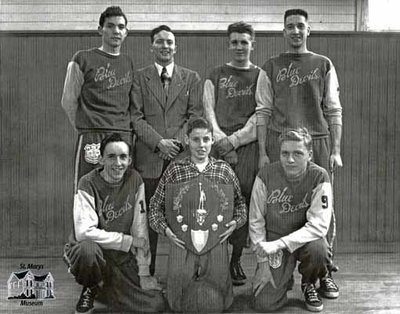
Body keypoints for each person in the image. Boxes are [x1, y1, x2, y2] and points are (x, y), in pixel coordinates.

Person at [256, 8, 342, 293]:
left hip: (316, 142)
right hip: (283, 143)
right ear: (283, 31)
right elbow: (263, 112)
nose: (295, 31)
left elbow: (333, 109)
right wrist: (262, 152)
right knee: (282, 206)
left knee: (323, 210)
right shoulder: (271, 66)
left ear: (309, 31)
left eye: (300, 26)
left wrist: (335, 150)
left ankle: (323, 270)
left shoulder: (323, 63)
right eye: (290, 26)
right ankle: (281, 262)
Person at [148, 117, 247, 313]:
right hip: (182, 241)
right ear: (187, 140)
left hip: (215, 240)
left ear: (212, 141)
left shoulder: (223, 170)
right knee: (177, 301)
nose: (201, 145)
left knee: (220, 300)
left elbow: (240, 205)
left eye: (206, 139)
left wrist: (235, 223)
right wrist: (166, 231)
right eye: (196, 139)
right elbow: (154, 208)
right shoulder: (175, 170)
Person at [63, 133, 165, 313]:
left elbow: (140, 228)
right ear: (101, 159)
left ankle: (108, 288)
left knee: (155, 305)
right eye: (111, 157)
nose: (118, 163)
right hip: (95, 252)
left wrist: (144, 272)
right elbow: (84, 232)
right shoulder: (87, 183)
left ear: (130, 159)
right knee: (87, 250)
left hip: (120, 257)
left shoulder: (135, 180)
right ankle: (90, 286)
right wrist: (127, 241)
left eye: (123, 157)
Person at [131, 24, 203, 276]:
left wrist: (175, 144)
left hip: (180, 159)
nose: (165, 46)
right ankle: (146, 273)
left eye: (169, 42)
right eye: (159, 42)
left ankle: (184, 273)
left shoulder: (191, 78)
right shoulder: (139, 77)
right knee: (148, 219)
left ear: (176, 47)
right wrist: (159, 143)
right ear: (152, 47)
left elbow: (195, 116)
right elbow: (136, 118)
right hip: (148, 159)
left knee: (184, 216)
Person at [203, 21, 269, 285]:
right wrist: (220, 139)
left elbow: (261, 114)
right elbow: (208, 109)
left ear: (253, 44)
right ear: (228, 44)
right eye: (235, 42)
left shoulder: (261, 75)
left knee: (243, 199)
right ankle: (213, 259)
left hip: (247, 146)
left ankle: (236, 259)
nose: (239, 47)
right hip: (218, 146)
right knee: (217, 201)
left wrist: (236, 140)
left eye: (244, 42)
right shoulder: (215, 73)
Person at [249, 128, 334, 312]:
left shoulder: (320, 176)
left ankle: (309, 282)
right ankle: (284, 278)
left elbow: (319, 226)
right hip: (275, 240)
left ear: (309, 154)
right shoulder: (266, 174)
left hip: (305, 241)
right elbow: (256, 221)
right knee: (264, 303)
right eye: (285, 153)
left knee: (319, 249)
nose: (290, 159)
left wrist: (281, 243)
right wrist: (263, 264)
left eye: (298, 153)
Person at [61, 6, 135, 193]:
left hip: (122, 135)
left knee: (121, 193)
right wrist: (85, 126)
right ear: (100, 29)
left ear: (126, 32)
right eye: (110, 26)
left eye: (121, 27)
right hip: (93, 135)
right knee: (87, 189)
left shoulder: (128, 63)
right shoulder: (83, 58)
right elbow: (68, 100)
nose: (116, 31)